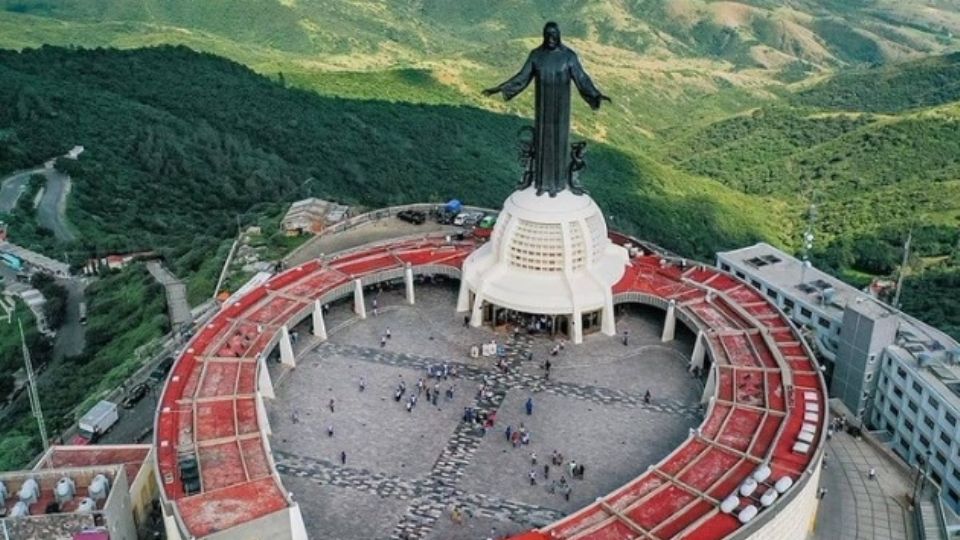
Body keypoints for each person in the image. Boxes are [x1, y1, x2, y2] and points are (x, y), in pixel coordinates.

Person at [482, 22, 610, 197]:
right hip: (542, 109)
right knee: (543, 142)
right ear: (543, 36)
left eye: (554, 35)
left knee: (558, 143)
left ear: (559, 36)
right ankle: (542, 183)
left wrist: (595, 94)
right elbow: (522, 77)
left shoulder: (568, 56)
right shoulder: (536, 56)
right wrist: (500, 88)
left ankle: (557, 184)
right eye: (547, 35)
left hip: (561, 110)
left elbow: (582, 78)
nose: (551, 39)